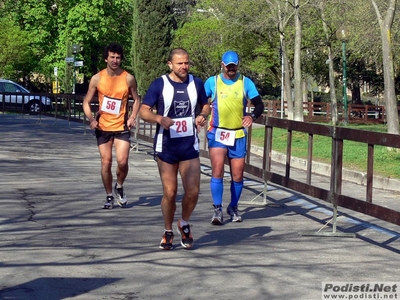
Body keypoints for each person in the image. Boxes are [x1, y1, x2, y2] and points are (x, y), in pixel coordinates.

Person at [139, 48, 210, 250]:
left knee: (193, 191)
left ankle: (184, 223)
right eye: (180, 63)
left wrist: (202, 115)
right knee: (170, 193)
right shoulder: (160, 84)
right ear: (170, 64)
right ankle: (168, 231)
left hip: (189, 145)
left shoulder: (196, 83)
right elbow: (144, 111)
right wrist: (158, 118)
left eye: (186, 63)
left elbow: (206, 105)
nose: (184, 67)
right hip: (167, 145)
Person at [204, 50, 264, 225]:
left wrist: (251, 117)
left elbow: (259, 104)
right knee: (217, 170)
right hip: (217, 131)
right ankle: (217, 209)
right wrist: (202, 112)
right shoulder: (212, 82)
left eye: (234, 66)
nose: (231, 70)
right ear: (222, 65)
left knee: (237, 175)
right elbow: (201, 99)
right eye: (228, 67)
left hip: (238, 133)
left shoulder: (245, 82)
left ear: (238, 65)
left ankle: (233, 206)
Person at [83, 42, 140, 209]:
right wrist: (91, 119)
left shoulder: (128, 78)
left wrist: (133, 116)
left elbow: (137, 99)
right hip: (103, 127)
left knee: (122, 162)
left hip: (121, 126)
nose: (115, 60)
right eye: (112, 57)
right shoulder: (97, 78)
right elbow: (86, 102)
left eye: (118, 57)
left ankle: (119, 186)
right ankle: (109, 195)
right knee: (106, 162)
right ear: (106, 58)